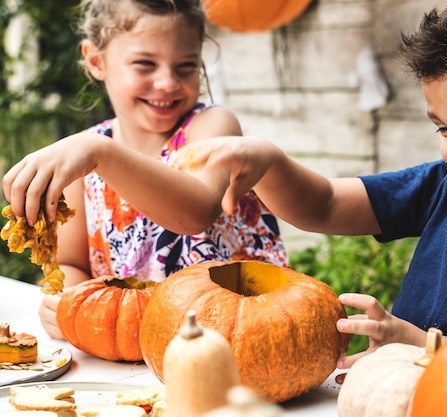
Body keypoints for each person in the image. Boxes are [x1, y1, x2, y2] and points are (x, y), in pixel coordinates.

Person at [175, 0, 447, 368]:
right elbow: (327, 205)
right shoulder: (446, 186)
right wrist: (268, 162)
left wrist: (423, 346)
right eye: (443, 129)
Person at [2, 0, 288, 340]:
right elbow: (72, 264)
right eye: (145, 64)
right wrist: (64, 301)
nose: (168, 83)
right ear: (96, 60)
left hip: (242, 336)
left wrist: (100, 153)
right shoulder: (87, 157)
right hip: (139, 352)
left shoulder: (212, 127)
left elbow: (196, 212)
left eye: (186, 66)